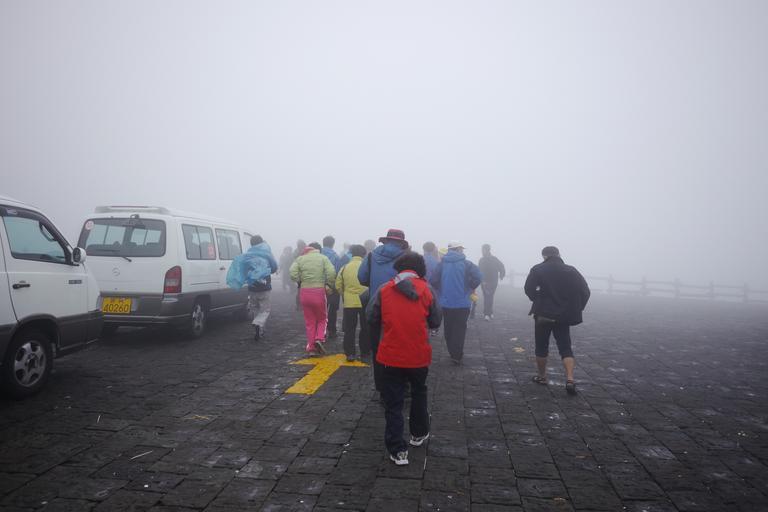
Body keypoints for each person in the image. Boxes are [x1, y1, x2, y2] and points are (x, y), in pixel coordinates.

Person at [367, 252, 442, 466]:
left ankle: (398, 450)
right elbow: (436, 321)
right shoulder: (427, 289)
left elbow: (371, 316)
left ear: (398, 268)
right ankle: (418, 433)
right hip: (418, 355)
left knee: (393, 402)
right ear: (420, 269)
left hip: (391, 355)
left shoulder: (384, 289)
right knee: (419, 392)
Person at [524, 246, 590, 395]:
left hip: (543, 314)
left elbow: (528, 289)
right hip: (563, 315)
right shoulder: (571, 271)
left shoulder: (538, 269)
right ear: (559, 254)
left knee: (541, 346)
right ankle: (570, 379)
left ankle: (542, 376)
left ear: (544, 256)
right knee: (565, 347)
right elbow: (585, 291)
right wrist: (577, 308)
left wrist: (537, 299)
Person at [359, 229, 409, 392]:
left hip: (377, 307)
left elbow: (362, 278)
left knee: (378, 349)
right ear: (402, 242)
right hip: (400, 310)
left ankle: (381, 387)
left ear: (385, 240)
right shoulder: (407, 258)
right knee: (400, 348)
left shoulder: (371, 256)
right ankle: (400, 384)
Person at [430, 241, 482, 364]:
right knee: (460, 329)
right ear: (458, 250)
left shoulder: (441, 264)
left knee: (448, 328)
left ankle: (452, 351)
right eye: (461, 249)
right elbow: (478, 277)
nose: (462, 251)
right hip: (463, 303)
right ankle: (456, 355)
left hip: (446, 303)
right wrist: (470, 285)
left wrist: (441, 288)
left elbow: (433, 280)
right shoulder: (467, 264)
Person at [227, 235, 278, 341]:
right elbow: (274, 268)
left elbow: (243, 270)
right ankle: (258, 324)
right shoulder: (267, 254)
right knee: (265, 310)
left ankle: (260, 331)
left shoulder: (248, 255)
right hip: (265, 288)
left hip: (252, 288)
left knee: (255, 309)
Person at [290, 243, 337, 355]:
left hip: (304, 292)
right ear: (318, 250)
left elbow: (292, 273)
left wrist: (300, 281)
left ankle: (311, 348)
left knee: (310, 321)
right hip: (319, 292)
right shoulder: (323, 258)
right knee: (322, 318)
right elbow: (331, 272)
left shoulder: (300, 259)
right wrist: (329, 284)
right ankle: (319, 338)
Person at [335, 244, 370, 361]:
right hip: (365, 301)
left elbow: (338, 285)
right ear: (364, 254)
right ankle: (365, 352)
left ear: (351, 254)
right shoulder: (367, 267)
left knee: (350, 328)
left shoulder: (345, 267)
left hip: (349, 302)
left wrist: (345, 294)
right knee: (365, 327)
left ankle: (350, 353)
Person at [478, 244, 506, 320]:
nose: (482, 251)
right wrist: (480, 280)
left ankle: (487, 313)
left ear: (487, 250)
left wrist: (502, 275)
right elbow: (479, 271)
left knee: (489, 296)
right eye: (482, 250)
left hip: (493, 281)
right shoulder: (481, 260)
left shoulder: (494, 259)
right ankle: (488, 313)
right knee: (487, 296)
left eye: (483, 250)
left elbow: (501, 267)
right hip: (484, 282)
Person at [321, 236, 341, 339]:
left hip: (319, 285)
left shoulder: (318, 254)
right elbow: (337, 272)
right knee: (332, 309)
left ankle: (321, 331)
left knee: (321, 309)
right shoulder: (336, 256)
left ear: (323, 243)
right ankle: (332, 330)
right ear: (333, 244)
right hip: (331, 286)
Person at [292, 240, 307, 311]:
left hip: (301, 273)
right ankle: (299, 305)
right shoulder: (302, 252)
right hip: (303, 273)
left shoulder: (296, 252)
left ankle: (299, 305)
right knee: (301, 290)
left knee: (300, 289)